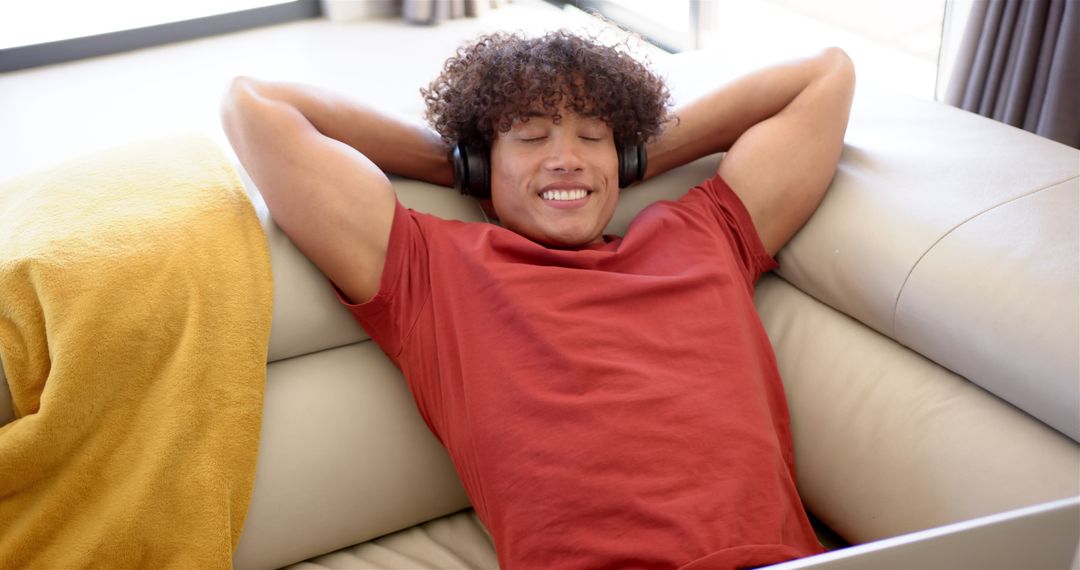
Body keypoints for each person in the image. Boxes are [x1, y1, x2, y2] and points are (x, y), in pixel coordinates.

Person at [222, 28, 855, 570]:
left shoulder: (706, 234)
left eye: (591, 137)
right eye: (528, 137)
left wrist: (630, 152)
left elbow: (826, 76)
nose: (565, 160)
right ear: (479, 166)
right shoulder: (431, 272)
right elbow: (255, 105)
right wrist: (466, 164)